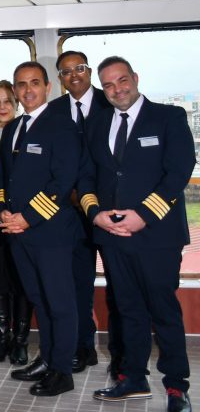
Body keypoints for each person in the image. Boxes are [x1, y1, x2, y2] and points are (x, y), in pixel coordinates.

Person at [80, 56, 193, 412]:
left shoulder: (168, 117)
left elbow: (179, 171)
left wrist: (144, 215)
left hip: (157, 235)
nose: (117, 90)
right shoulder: (97, 124)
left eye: (122, 80)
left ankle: (176, 387)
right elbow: (86, 176)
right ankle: (133, 378)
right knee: (127, 309)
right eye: (108, 85)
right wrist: (95, 214)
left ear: (135, 78)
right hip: (112, 233)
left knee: (163, 310)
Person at [0, 61, 80, 397]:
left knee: (60, 303)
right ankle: (47, 359)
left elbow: (63, 181)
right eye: (21, 84)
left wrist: (28, 217)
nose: (27, 90)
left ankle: (62, 371)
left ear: (48, 87)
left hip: (50, 233)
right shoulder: (13, 128)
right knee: (39, 300)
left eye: (34, 83)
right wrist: (2, 209)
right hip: (18, 233)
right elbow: (2, 176)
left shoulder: (63, 126)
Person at [51, 50, 119, 373]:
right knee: (78, 283)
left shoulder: (111, 103)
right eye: (66, 71)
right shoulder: (54, 111)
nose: (73, 75)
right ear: (60, 79)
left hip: (109, 210)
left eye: (79, 68)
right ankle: (83, 347)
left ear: (89, 71)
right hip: (70, 214)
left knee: (119, 285)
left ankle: (121, 355)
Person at [0, 80, 33, 365]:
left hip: (20, 213)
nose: (2, 107)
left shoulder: (26, 134)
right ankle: (3, 339)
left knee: (22, 278)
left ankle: (21, 340)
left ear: (16, 104)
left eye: (7, 102)